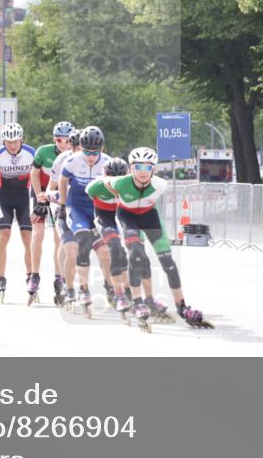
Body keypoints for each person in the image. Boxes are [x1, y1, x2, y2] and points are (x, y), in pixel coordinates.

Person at [102, 147, 211, 329]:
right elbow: (105, 182)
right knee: (136, 254)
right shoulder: (120, 183)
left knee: (168, 262)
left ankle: (182, 306)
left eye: (147, 167)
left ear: (154, 169)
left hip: (149, 217)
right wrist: (119, 197)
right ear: (131, 169)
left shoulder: (160, 184)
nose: (143, 172)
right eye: (138, 167)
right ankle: (137, 302)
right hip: (127, 217)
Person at [58, 125, 111, 316]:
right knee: (81, 242)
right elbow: (63, 181)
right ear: (80, 148)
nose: (90, 156)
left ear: (101, 149)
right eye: (86, 151)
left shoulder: (108, 163)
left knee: (105, 251)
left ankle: (109, 286)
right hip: (77, 208)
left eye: (94, 152)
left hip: (96, 209)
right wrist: (63, 205)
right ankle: (79, 289)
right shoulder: (71, 161)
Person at [0, 122, 36, 300]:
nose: (12, 145)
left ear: (21, 139)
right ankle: (1, 277)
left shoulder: (32, 153)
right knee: (3, 236)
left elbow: (37, 173)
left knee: (27, 237)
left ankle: (31, 275)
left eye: (15, 141)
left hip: (24, 197)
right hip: (4, 197)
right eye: (9, 142)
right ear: (4, 141)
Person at [29, 121, 75, 301]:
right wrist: (39, 195)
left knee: (59, 237)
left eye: (66, 141)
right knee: (38, 233)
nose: (63, 145)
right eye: (59, 140)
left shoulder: (74, 155)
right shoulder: (43, 151)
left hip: (58, 193)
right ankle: (34, 275)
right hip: (40, 190)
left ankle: (59, 277)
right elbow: (34, 173)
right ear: (53, 139)